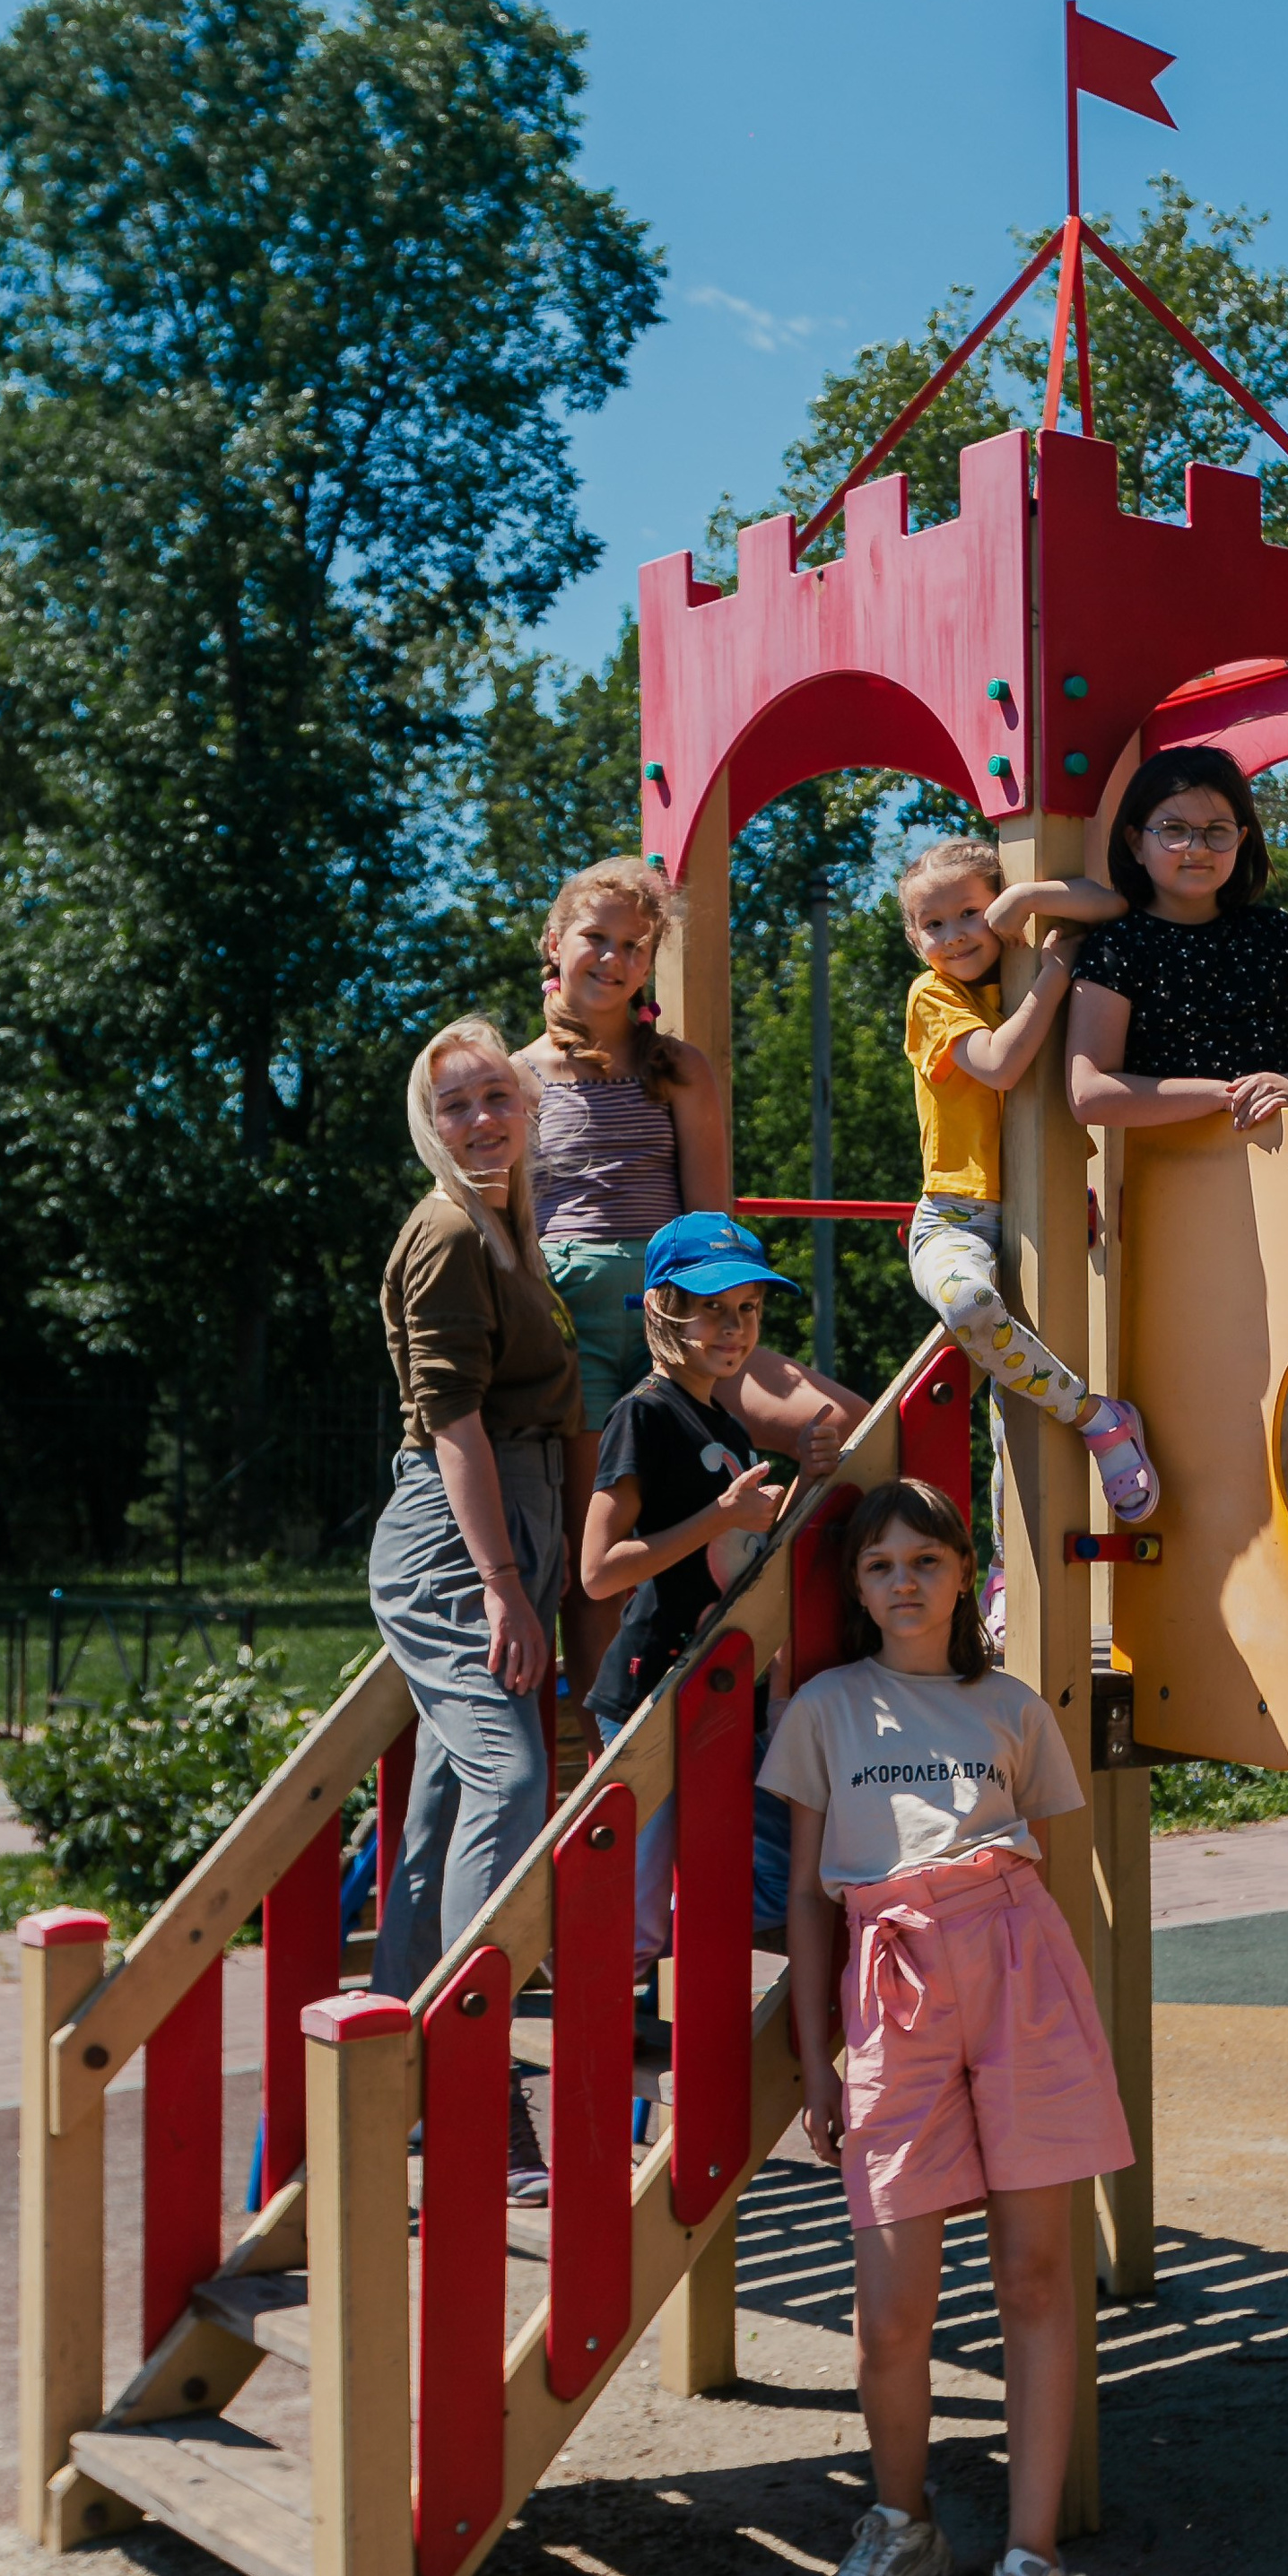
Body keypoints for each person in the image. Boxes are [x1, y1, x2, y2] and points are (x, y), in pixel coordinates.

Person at [765, 1476, 1131, 2576]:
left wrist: (1067, 2032)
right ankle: (902, 2521)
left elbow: (1057, 1884)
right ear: (856, 1588)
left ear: (965, 1572)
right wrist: (821, 2056)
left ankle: (1031, 2570)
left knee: (1035, 2275)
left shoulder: (1013, 1709)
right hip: (891, 1993)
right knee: (890, 2308)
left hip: (1020, 1975)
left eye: (927, 1559)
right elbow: (809, 1903)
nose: (905, 1583)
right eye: (879, 1566)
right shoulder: (826, 1709)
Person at [1059, 747, 1288, 1610]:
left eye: (1217, 829)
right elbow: (1090, 1089)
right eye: (1174, 829)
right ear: (1136, 841)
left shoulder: (1279, 939)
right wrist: (1213, 1093)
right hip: (1187, 1222)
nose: (1196, 847)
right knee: (1227, 1415)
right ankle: (1248, 1600)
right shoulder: (1120, 949)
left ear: (1243, 839)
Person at [517, 857, 859, 1692]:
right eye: (595, 938)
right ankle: (616, 1752)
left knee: (845, 1428)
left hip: (683, 1312)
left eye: (635, 945)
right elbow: (513, 1230)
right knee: (606, 1542)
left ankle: (796, 1688)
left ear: (650, 963)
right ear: (554, 946)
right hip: (579, 1330)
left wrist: (727, 1323)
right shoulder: (519, 1079)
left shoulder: (677, 1069)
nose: (613, 957)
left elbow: (714, 1228)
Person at [369, 1015, 579, 2200]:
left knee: (448, 1813)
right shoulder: (449, 1230)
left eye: (498, 1096)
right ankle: (473, 2087)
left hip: (517, 1522)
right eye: (458, 1105)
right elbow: (449, 1423)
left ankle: (405, 2075)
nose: (484, 1118)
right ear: (429, 1122)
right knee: (506, 1780)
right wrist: (503, 1585)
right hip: (461, 1540)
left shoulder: (507, 1224)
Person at [897, 834, 1157, 1525]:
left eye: (971, 914)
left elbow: (1117, 904)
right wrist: (1052, 974)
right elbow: (1000, 1064)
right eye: (933, 923)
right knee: (968, 1305)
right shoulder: (933, 995)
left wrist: (1029, 899)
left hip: (1045, 1207)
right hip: (954, 1214)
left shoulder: (1020, 956)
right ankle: (1100, 1420)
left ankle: (1010, 1569)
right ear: (913, 936)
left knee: (1014, 1405)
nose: (953, 936)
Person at [578, 1211, 808, 1975]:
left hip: (712, 1693)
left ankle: (685, 1999)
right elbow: (600, 1570)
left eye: (748, 1309)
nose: (733, 1328)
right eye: (711, 1307)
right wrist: (722, 1515)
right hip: (650, 1690)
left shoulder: (726, 1422)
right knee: (634, 1918)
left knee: (760, 1879)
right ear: (660, 1307)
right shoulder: (642, 1414)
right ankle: (612, 2038)